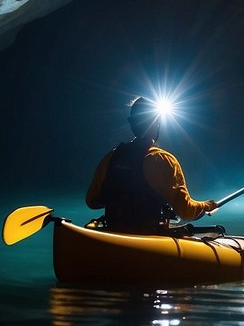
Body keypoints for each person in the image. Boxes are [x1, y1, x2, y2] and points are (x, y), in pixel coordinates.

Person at [85, 96, 218, 231]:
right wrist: (207, 205)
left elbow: (91, 201)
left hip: (113, 231)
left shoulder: (111, 157)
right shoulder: (162, 159)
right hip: (149, 235)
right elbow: (186, 212)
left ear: (131, 123)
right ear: (157, 122)